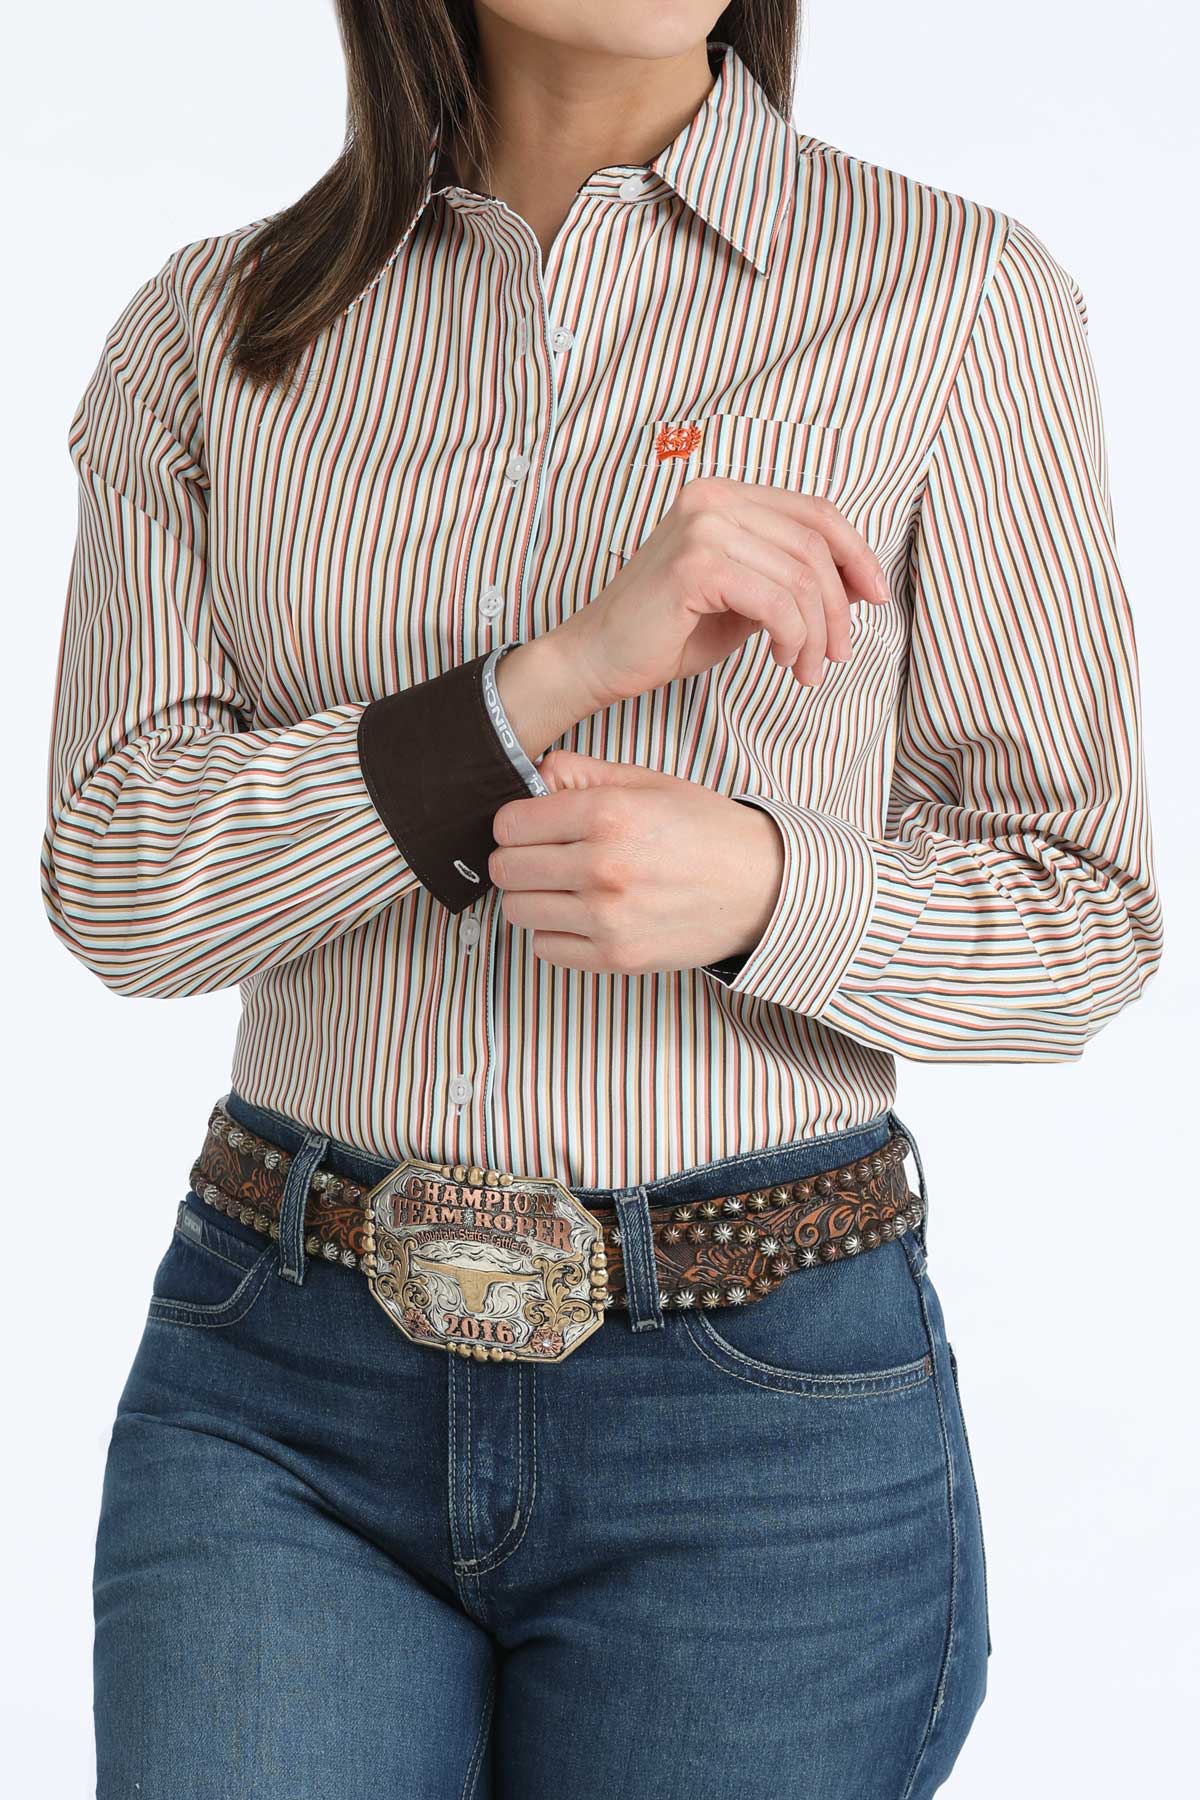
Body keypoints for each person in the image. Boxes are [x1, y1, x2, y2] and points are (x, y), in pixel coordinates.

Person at [43, 5, 1162, 1797]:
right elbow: (122, 879)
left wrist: (769, 892)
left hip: (759, 1422)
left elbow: (1083, 918)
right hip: (285, 1397)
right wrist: (536, 688)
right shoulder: (214, 329)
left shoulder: (953, 299)